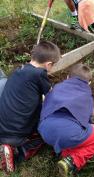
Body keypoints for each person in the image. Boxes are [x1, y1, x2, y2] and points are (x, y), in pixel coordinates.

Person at [38, 63, 94, 176]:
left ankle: (64, 151)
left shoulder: (57, 87)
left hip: (44, 131)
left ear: (67, 77)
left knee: (68, 130)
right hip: (67, 134)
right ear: (89, 83)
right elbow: (89, 118)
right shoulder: (86, 96)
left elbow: (46, 103)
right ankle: (73, 160)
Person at [0, 41, 61, 173]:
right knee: (44, 134)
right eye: (53, 65)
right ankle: (19, 151)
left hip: (3, 125)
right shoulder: (39, 74)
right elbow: (52, 96)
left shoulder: (19, 70)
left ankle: (7, 144)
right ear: (48, 64)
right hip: (17, 133)